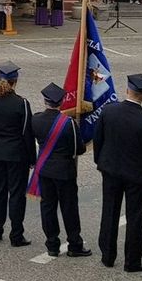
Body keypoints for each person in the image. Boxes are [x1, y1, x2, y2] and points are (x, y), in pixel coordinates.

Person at [94, 73, 142, 273]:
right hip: (136, 174)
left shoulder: (109, 111)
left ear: (127, 90)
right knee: (135, 217)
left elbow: (98, 140)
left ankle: (107, 255)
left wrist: (101, 162)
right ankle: (132, 261)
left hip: (111, 170)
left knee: (110, 212)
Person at [29, 82, 91, 258]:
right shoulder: (68, 123)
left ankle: (52, 245)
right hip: (64, 171)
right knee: (69, 208)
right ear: (61, 102)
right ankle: (74, 244)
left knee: (48, 207)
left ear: (45, 101)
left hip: (44, 170)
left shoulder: (36, 119)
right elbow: (78, 149)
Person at [0, 61, 36, 247]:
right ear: (15, 81)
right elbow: (27, 134)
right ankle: (16, 234)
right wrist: (31, 158)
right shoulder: (21, 103)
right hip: (16, 155)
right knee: (16, 194)